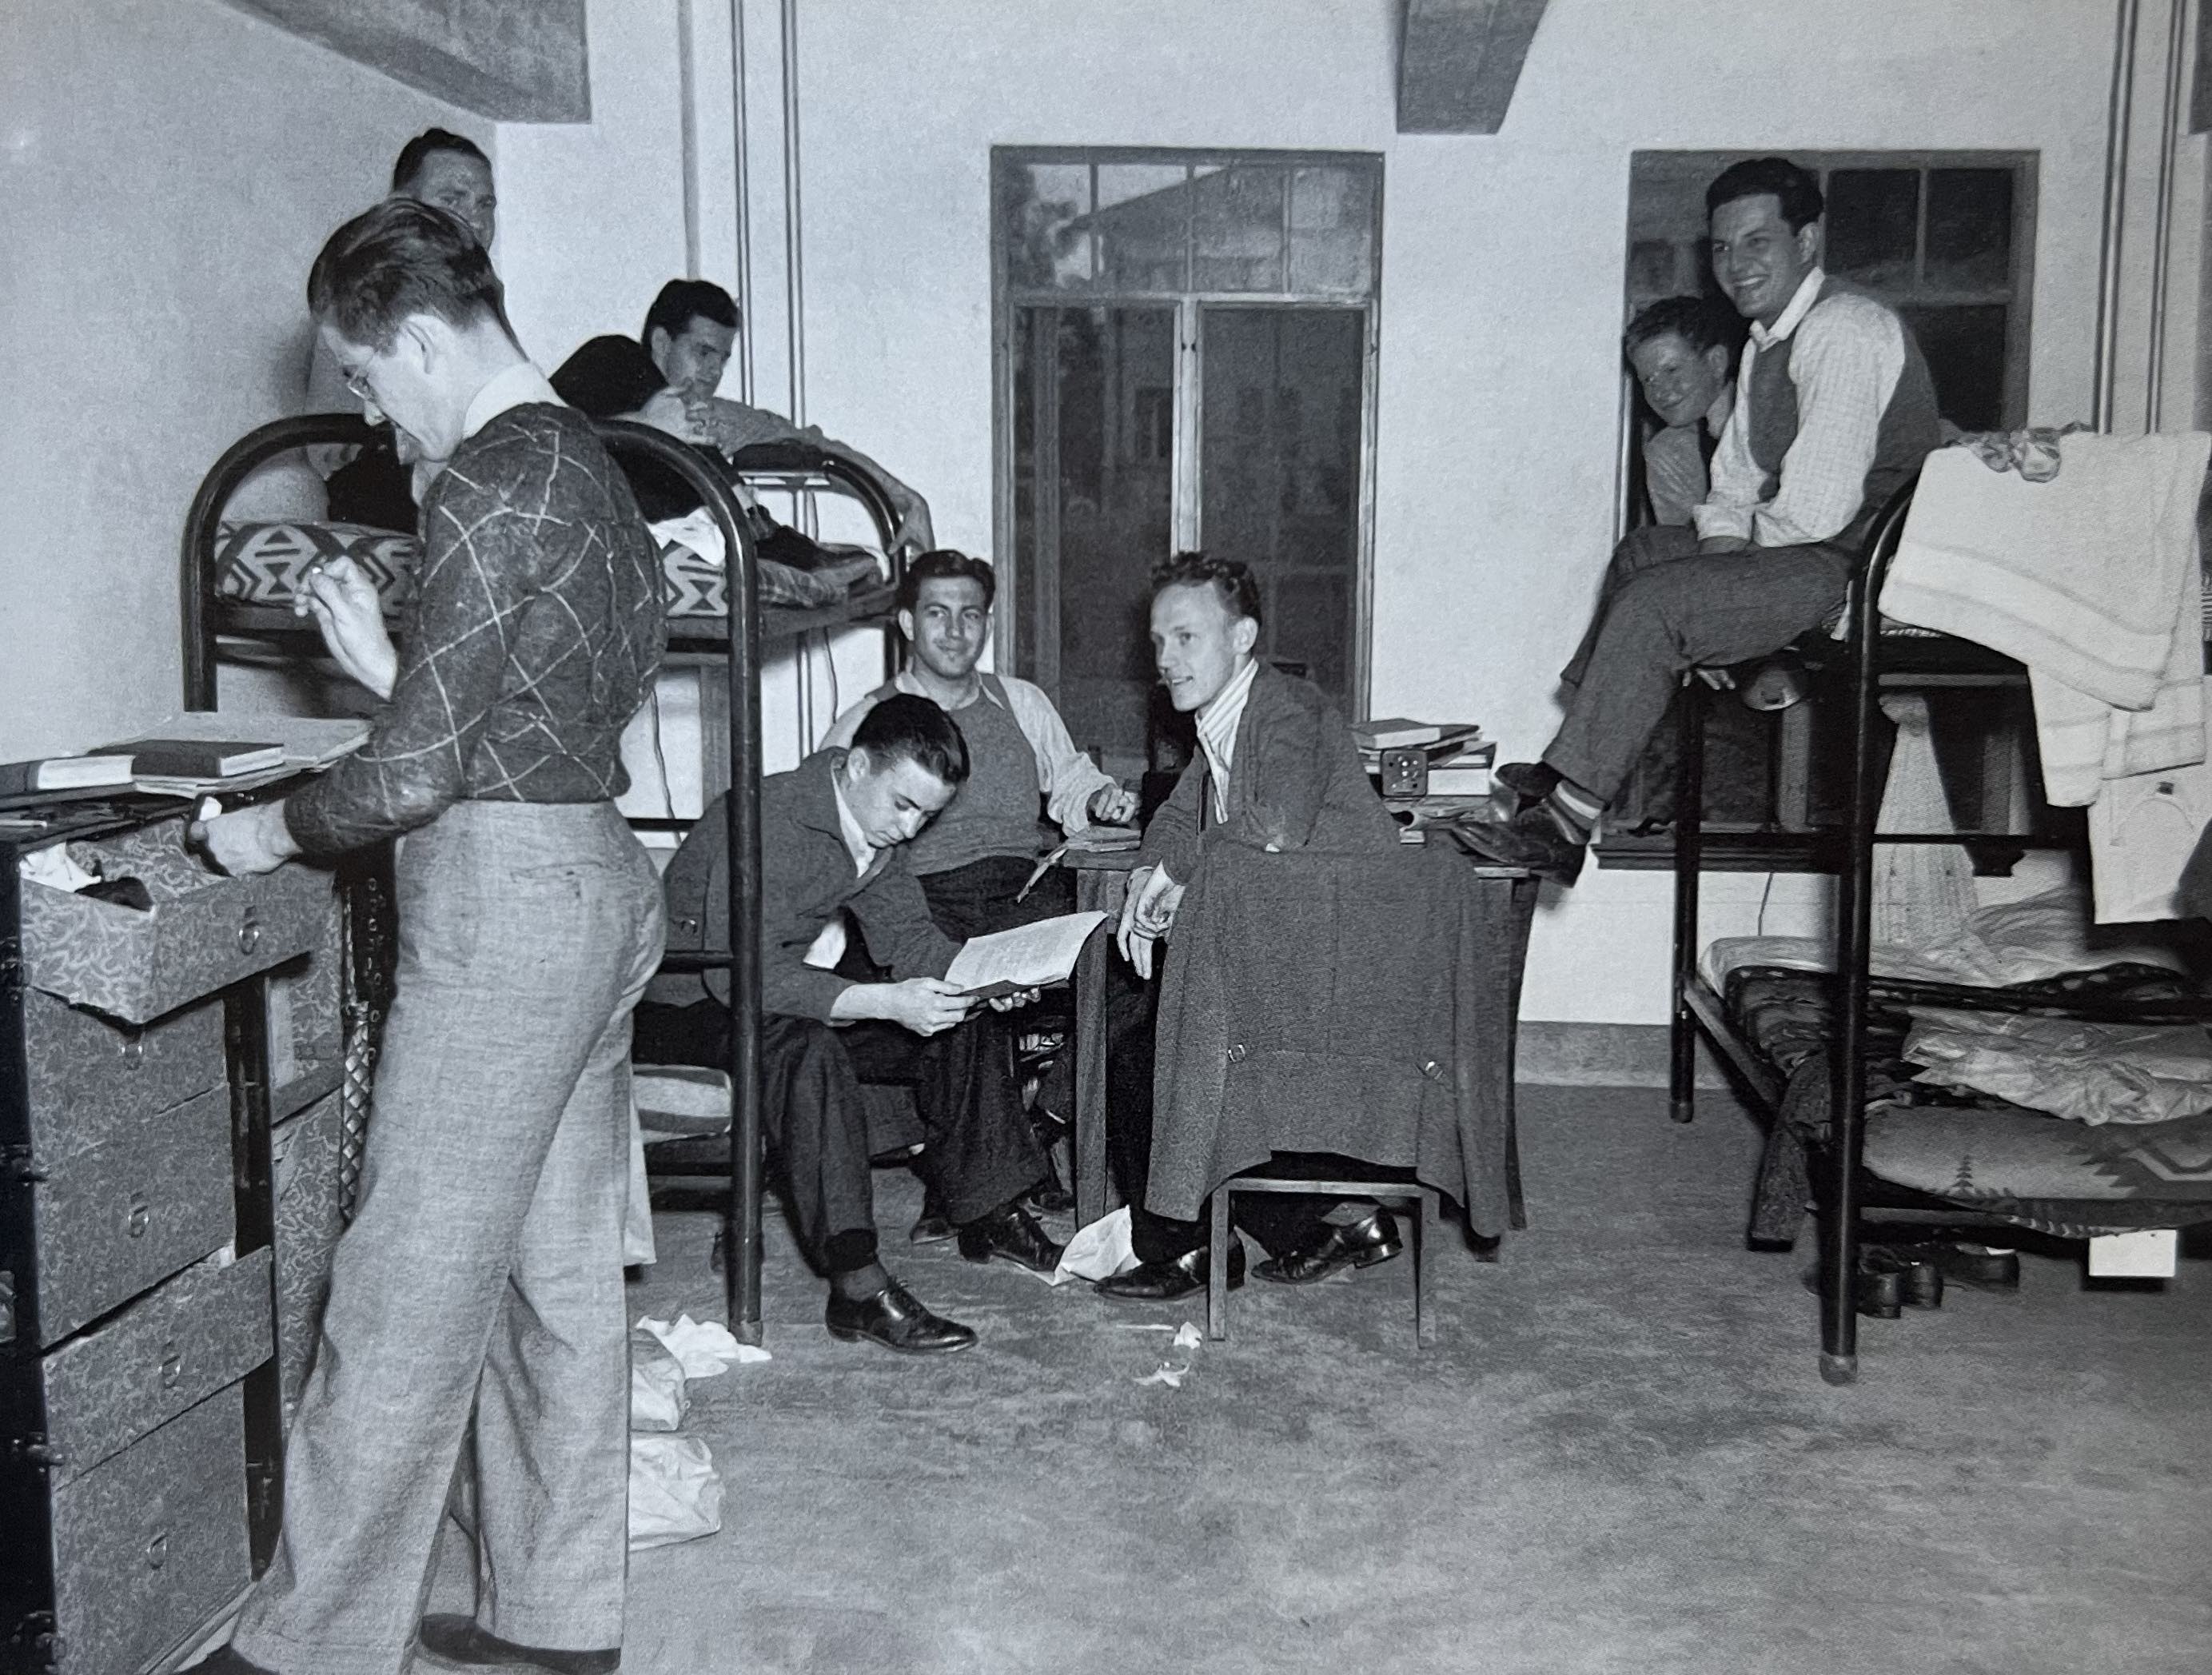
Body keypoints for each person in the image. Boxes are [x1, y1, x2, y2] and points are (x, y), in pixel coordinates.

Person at [193, 199, 664, 1675]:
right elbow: (530, 720)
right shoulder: (595, 466)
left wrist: (259, 830)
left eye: (367, 379)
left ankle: (308, 1648)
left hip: (508, 909)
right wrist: (387, 667)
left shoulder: (491, 480)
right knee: (555, 1280)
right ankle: (554, 1611)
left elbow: (412, 778)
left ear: (410, 339)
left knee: (395, 1293)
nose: (373, 413)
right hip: (595, 874)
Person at [1467, 156, 1942, 884]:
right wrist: (1718, 557)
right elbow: (1735, 481)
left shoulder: (1841, 329)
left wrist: (1719, 573)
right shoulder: (1764, 344)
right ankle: (1580, 752)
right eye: (1722, 247)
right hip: (1802, 546)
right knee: (1641, 556)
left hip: (1858, 560)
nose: (1735, 265)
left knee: (1658, 602)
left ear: (1806, 242)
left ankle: (1566, 820)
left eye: (1757, 242)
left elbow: (1815, 510)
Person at [639, 694, 1066, 1354]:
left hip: (758, 992)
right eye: (904, 804)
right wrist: (882, 1002)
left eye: (927, 813)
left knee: (953, 1015)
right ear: (857, 765)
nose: (912, 827)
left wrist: (987, 981)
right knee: (808, 1050)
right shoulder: (768, 817)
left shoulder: (872, 832)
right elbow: (737, 977)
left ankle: (988, 1208)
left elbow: (912, 941)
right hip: (684, 1006)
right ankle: (857, 1285)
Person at [1096, 553, 1405, 1303]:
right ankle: (1328, 1219)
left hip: (1343, 963)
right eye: (1158, 641)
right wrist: (1147, 873)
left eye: (1185, 638)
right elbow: (1176, 816)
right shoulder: (1225, 719)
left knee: (1148, 1050)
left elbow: (1275, 824)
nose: (1165, 659)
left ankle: (1190, 1245)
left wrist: (1173, 876)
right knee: (1145, 1032)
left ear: (1242, 636)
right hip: (1293, 948)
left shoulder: (1285, 710)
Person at [823, 548, 1136, 1236]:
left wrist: (1104, 799)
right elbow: (833, 828)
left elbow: (1072, 781)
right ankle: (984, 1185)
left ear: (987, 622)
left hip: (1022, 891)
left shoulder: (1019, 700)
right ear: (908, 620)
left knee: (1139, 967)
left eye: (970, 614)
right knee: (963, 1000)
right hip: (923, 898)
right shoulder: (869, 719)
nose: (955, 630)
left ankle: (1043, 1116)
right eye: (937, 613)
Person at [552, 278, 934, 553]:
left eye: (723, 358)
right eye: (703, 353)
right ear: (662, 342)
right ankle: (769, 536)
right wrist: (645, 423)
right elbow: (532, 429)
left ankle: (768, 535)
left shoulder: (709, 413)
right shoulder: (609, 359)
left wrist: (907, 500)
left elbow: (808, 443)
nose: (714, 371)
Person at [311, 128, 500, 531]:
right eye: (453, 201)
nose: (476, 222)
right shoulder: (360, 292)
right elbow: (332, 451)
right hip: (388, 474)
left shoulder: (477, 296)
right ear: (402, 209)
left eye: (486, 205)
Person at [1627, 293, 1738, 528]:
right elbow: (1687, 550)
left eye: (1671, 370)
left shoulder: (1765, 411)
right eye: (1648, 380)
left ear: (1716, 362)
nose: (1660, 391)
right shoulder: (1670, 451)